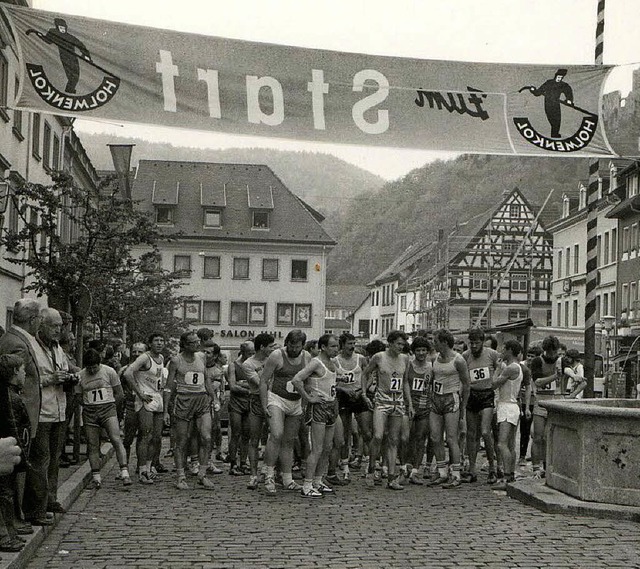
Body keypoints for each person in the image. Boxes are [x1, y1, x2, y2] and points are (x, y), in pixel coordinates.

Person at [24, 308, 75, 524]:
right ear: (41, 325)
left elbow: (66, 369)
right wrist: (50, 379)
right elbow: (30, 380)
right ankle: (37, 507)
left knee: (54, 459)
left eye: (60, 327)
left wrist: (71, 377)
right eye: (54, 326)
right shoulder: (33, 347)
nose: (58, 330)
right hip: (42, 412)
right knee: (41, 460)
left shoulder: (57, 349)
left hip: (59, 410)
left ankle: (51, 498)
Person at [260, 330, 311, 495]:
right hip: (277, 398)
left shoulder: (307, 357)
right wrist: (264, 404)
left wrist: (305, 403)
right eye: (291, 345)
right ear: (286, 343)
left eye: (297, 347)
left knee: (289, 440)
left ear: (302, 346)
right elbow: (263, 380)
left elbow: (308, 381)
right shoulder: (276, 355)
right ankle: (269, 474)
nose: (294, 349)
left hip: (295, 402)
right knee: (276, 434)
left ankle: (287, 478)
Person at [163, 331, 216, 490]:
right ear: (185, 345)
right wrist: (166, 410)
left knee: (206, 437)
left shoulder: (201, 357)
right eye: (193, 342)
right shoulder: (176, 360)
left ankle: (202, 473)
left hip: (201, 399)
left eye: (198, 341)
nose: (197, 344)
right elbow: (169, 386)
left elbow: (205, 378)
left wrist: (213, 396)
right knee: (183, 439)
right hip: (184, 399)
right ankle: (180, 476)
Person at [363, 330, 413, 491]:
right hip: (381, 400)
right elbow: (365, 374)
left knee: (394, 439)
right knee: (377, 435)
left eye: (403, 344)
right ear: (390, 343)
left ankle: (392, 477)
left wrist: (409, 403)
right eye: (398, 344)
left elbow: (405, 382)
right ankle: (371, 468)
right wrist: (364, 393)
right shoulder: (379, 357)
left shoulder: (405, 359)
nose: (401, 347)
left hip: (397, 401)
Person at [291, 334, 340, 498]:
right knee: (317, 448)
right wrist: (308, 397)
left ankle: (318, 480)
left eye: (337, 346)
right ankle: (307, 484)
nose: (336, 349)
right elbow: (296, 380)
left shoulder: (332, 363)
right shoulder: (315, 362)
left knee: (327, 448)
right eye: (332, 346)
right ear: (323, 347)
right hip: (319, 407)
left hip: (331, 406)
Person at [76, 349, 131, 489]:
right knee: (92, 444)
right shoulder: (80, 376)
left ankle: (124, 471)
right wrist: (88, 406)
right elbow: (78, 396)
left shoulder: (109, 371)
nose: (92, 370)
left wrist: (114, 409)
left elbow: (119, 393)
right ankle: (96, 476)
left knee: (116, 438)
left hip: (108, 409)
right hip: (90, 411)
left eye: (95, 367)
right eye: (89, 368)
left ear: (99, 364)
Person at [428, 328, 470, 489]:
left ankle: (456, 474)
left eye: (436, 341)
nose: (433, 343)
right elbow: (432, 379)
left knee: (451, 438)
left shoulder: (458, 360)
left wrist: (463, 407)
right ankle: (442, 471)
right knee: (435, 437)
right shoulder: (435, 358)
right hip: (436, 399)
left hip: (451, 399)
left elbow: (467, 385)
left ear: (444, 342)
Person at [123, 333, 166, 484]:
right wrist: (139, 393)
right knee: (145, 435)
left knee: (156, 437)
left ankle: (149, 468)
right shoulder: (144, 358)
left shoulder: (161, 359)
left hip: (157, 397)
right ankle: (142, 471)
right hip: (145, 398)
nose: (159, 343)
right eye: (156, 341)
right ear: (150, 343)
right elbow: (128, 373)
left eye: (162, 341)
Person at [0, 355, 31, 552]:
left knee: (7, 494)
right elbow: (14, 427)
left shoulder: (11, 394)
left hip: (8, 452)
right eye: (22, 370)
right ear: (14, 373)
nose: (25, 373)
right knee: (5, 494)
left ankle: (9, 532)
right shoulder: (11, 397)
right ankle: (5, 536)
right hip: (7, 453)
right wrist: (22, 458)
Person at [462, 328, 501, 484]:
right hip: (472, 395)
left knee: (486, 432)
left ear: (482, 342)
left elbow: (501, 368)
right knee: (472, 435)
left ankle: (492, 467)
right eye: (471, 343)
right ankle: (472, 469)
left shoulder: (492, 354)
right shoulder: (465, 356)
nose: (473, 346)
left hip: (487, 395)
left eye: (477, 343)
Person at [334, 333, 371, 485]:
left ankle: (370, 463)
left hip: (358, 396)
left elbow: (369, 376)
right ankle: (345, 467)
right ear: (342, 345)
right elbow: (331, 381)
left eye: (353, 343)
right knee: (344, 434)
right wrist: (342, 389)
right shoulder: (335, 360)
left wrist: (362, 391)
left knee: (366, 432)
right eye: (349, 343)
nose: (352, 346)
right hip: (343, 397)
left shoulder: (360, 359)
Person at [241, 333, 276, 489]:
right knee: (254, 439)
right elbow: (260, 382)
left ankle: (271, 471)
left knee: (275, 436)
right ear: (262, 347)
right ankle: (253, 475)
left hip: (274, 399)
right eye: (270, 346)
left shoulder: (273, 359)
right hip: (256, 400)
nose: (273, 348)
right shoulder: (248, 364)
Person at [491, 340, 524, 490]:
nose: (501, 352)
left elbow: (494, 384)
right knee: (510, 445)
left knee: (501, 443)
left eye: (504, 349)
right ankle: (510, 475)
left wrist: (497, 369)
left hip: (506, 406)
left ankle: (506, 476)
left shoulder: (510, 368)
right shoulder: (517, 367)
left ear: (510, 351)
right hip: (512, 405)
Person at [530, 335, 561, 479]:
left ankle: (548, 465)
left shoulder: (561, 361)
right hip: (541, 401)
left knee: (551, 437)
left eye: (554, 352)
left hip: (556, 402)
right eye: (550, 352)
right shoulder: (537, 361)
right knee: (538, 436)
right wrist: (554, 376)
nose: (552, 355)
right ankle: (536, 467)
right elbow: (537, 382)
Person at [404, 336, 433, 485]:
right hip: (410, 404)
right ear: (413, 351)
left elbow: (433, 386)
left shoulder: (431, 366)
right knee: (408, 437)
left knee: (421, 437)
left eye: (423, 350)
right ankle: (406, 465)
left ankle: (416, 470)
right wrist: (409, 404)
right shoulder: (408, 365)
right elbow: (406, 384)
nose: (421, 353)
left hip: (425, 405)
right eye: (418, 350)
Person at [227, 341, 255, 476]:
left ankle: (244, 462)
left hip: (249, 403)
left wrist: (242, 384)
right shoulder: (233, 365)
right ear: (242, 352)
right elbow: (232, 386)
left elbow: (261, 383)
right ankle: (233, 463)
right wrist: (249, 388)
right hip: (236, 403)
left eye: (253, 353)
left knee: (247, 434)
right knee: (236, 433)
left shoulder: (254, 364)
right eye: (249, 353)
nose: (252, 355)